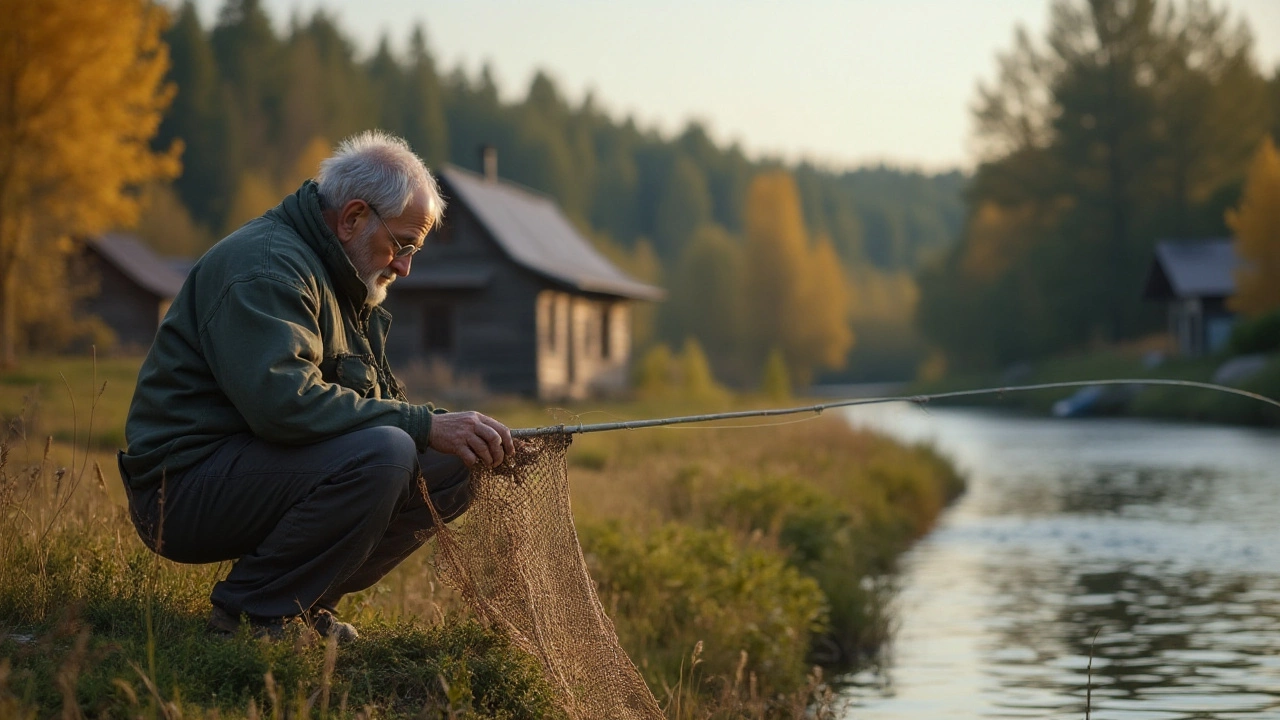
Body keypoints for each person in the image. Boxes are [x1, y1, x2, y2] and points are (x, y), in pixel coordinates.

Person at [119, 130, 514, 642]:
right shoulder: (267, 267)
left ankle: (302, 603)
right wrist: (421, 424)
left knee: (457, 459)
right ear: (352, 218)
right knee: (388, 452)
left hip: (254, 467)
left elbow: (368, 407)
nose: (404, 266)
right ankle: (254, 615)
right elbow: (284, 405)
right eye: (402, 245)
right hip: (181, 490)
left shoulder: (343, 275)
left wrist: (465, 432)